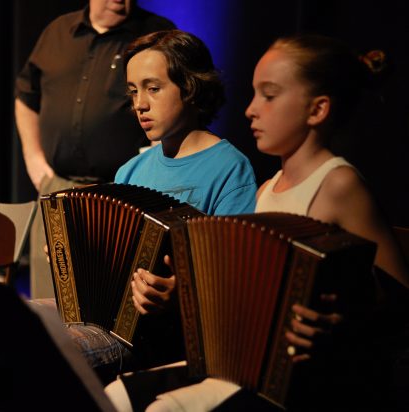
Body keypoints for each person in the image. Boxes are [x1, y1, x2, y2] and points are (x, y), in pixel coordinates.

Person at [106, 33, 409, 412]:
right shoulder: (266, 189)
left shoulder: (339, 183)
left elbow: (398, 298)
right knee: (116, 395)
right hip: (246, 364)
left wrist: (340, 322)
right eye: (253, 95)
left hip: (303, 379)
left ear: (317, 110)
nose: (250, 110)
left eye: (269, 95)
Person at [52, 28, 257, 385]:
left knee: (44, 354)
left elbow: (236, 281)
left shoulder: (229, 168)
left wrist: (179, 292)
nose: (139, 104)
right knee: (12, 326)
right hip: (107, 322)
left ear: (191, 88)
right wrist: (72, 251)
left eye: (153, 88)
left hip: (165, 340)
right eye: (133, 92)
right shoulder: (131, 170)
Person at [15, 0, 175, 299]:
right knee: (50, 304)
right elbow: (25, 96)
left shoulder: (155, 34)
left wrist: (149, 172)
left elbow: (170, 108)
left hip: (119, 197)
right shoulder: (59, 31)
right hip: (57, 190)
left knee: (107, 304)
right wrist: (35, 161)